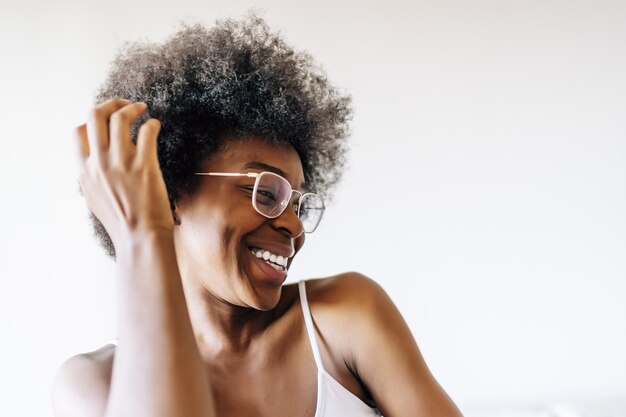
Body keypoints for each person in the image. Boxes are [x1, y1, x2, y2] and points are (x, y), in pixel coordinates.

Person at [52, 14, 464, 417]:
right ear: (169, 191)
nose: (295, 225)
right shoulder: (92, 384)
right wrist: (141, 234)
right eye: (266, 192)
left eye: (299, 203)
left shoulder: (344, 318)